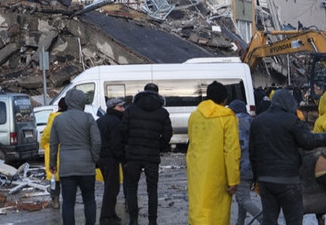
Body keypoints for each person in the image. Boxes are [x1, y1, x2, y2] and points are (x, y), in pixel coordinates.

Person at [249, 86, 317, 225]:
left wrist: (257, 177)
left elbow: (253, 153)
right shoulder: (291, 121)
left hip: (265, 180)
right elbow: (309, 142)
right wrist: (301, 121)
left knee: (269, 219)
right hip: (288, 180)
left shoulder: (258, 121)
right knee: (293, 219)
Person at [186, 81, 240, 224]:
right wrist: (233, 180)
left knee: (199, 209)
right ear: (224, 99)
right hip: (218, 174)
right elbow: (231, 150)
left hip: (197, 171)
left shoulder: (195, 116)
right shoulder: (227, 117)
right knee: (217, 214)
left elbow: (191, 143)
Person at [120, 83, 173, 225]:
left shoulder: (130, 110)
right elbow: (168, 134)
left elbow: (123, 131)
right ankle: (152, 221)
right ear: (158, 94)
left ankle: (133, 219)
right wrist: (158, 147)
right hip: (152, 156)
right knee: (152, 189)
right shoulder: (162, 112)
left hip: (133, 155)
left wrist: (128, 146)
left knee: (132, 187)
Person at [50, 88, 101, 225]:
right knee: (89, 200)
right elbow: (96, 141)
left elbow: (53, 145)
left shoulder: (58, 120)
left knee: (68, 203)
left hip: (66, 168)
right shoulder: (88, 118)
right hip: (86, 166)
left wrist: (52, 164)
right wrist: (95, 158)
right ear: (82, 101)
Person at [230, 99, 262, 225]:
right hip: (254, 166)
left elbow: (236, 147)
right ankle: (240, 222)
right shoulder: (253, 121)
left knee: (242, 198)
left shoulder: (236, 122)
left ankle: (265, 220)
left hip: (242, 165)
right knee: (241, 198)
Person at [96, 98, 126, 225]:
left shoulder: (101, 120)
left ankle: (111, 214)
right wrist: (122, 156)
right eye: (121, 107)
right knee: (111, 188)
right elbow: (115, 143)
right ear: (114, 107)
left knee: (111, 187)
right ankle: (106, 217)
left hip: (102, 157)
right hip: (111, 158)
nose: (123, 109)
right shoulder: (115, 122)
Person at [41, 98, 68, 209]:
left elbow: (46, 135)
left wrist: (44, 145)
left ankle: (55, 200)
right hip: (68, 152)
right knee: (67, 179)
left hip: (54, 152)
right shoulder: (71, 117)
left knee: (54, 178)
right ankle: (67, 200)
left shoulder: (54, 118)